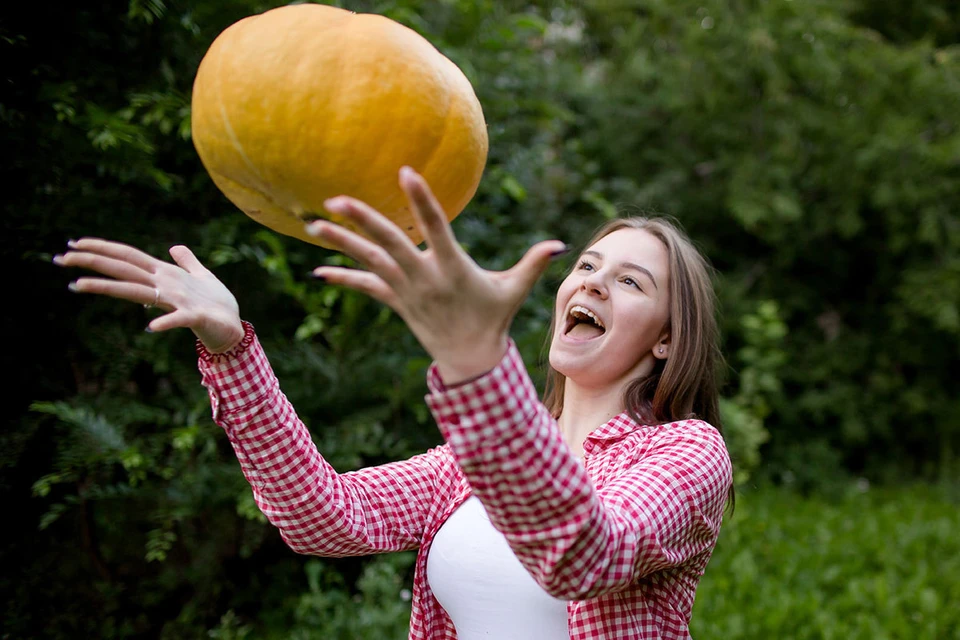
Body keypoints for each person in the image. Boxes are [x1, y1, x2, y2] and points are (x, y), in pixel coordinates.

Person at [55, 166, 733, 640]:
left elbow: (585, 555)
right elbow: (324, 516)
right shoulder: (469, 466)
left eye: (631, 281)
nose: (595, 283)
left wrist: (476, 366)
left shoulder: (686, 454)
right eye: (587, 266)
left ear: (670, 338)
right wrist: (232, 349)